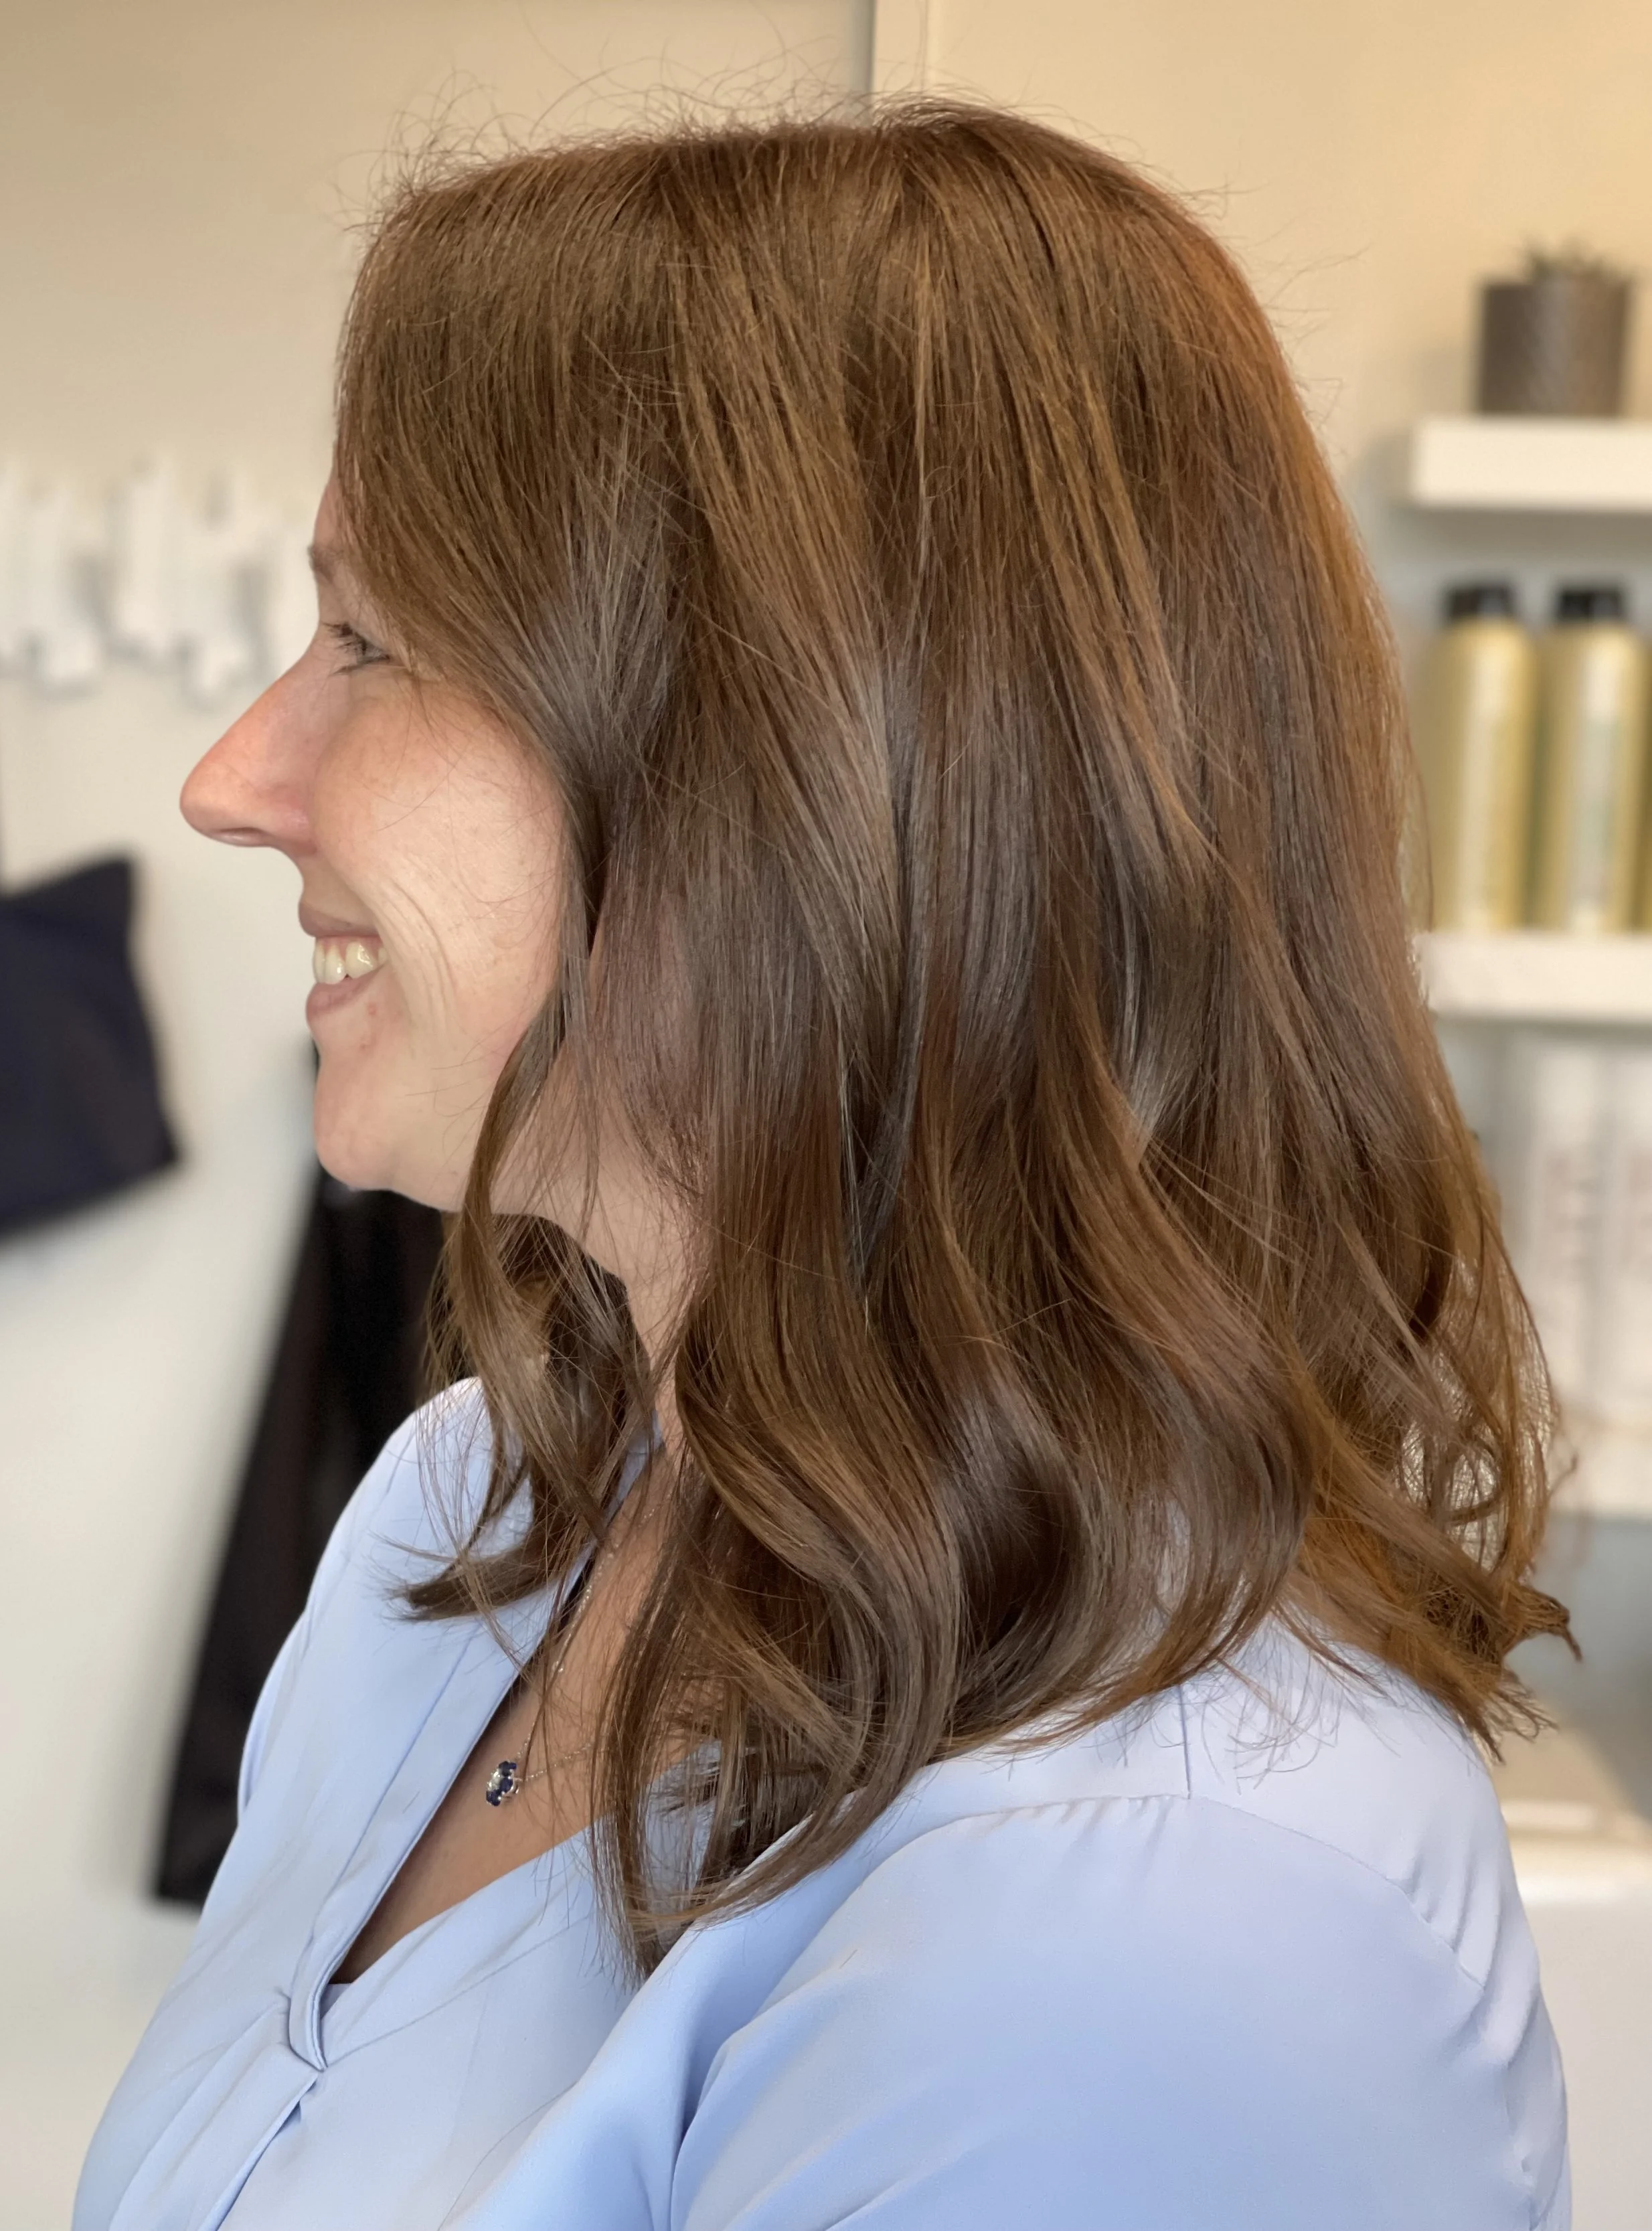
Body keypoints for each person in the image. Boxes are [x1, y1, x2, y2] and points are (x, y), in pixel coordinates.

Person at [76, 102, 1571, 2230]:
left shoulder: (1155, 1915)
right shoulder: (467, 1533)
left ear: (784, 776)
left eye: (371, 646)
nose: (235, 779)